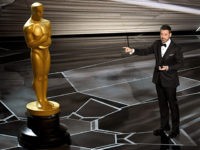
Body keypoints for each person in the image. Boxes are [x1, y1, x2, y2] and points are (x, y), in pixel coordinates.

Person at [123, 24, 183, 138]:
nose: (163, 36)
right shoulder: (156, 44)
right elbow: (145, 51)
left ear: (170, 34)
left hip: (170, 81)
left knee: (173, 106)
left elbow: (180, 63)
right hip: (158, 80)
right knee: (162, 105)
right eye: (161, 34)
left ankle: (175, 129)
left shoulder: (176, 48)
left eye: (165, 34)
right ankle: (164, 126)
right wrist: (133, 50)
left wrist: (168, 68)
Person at [23, 2, 53, 109]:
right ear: (33, 11)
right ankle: (39, 100)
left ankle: (44, 98)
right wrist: (43, 39)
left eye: (42, 11)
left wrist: (46, 40)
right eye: (38, 12)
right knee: (38, 77)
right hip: (36, 53)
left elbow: (49, 39)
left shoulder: (47, 23)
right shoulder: (28, 26)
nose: (40, 14)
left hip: (46, 52)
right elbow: (30, 44)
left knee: (45, 76)